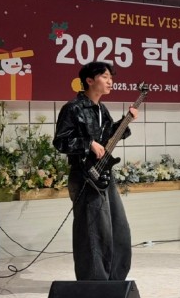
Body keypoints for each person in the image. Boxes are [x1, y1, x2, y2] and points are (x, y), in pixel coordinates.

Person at [53, 62, 138, 280]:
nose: (110, 81)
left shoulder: (102, 109)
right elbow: (61, 142)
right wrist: (88, 143)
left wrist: (126, 121)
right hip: (84, 175)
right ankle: (94, 282)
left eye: (111, 78)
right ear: (89, 80)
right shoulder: (73, 108)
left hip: (103, 174)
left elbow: (109, 137)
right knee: (93, 231)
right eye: (105, 77)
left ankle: (114, 279)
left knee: (118, 226)